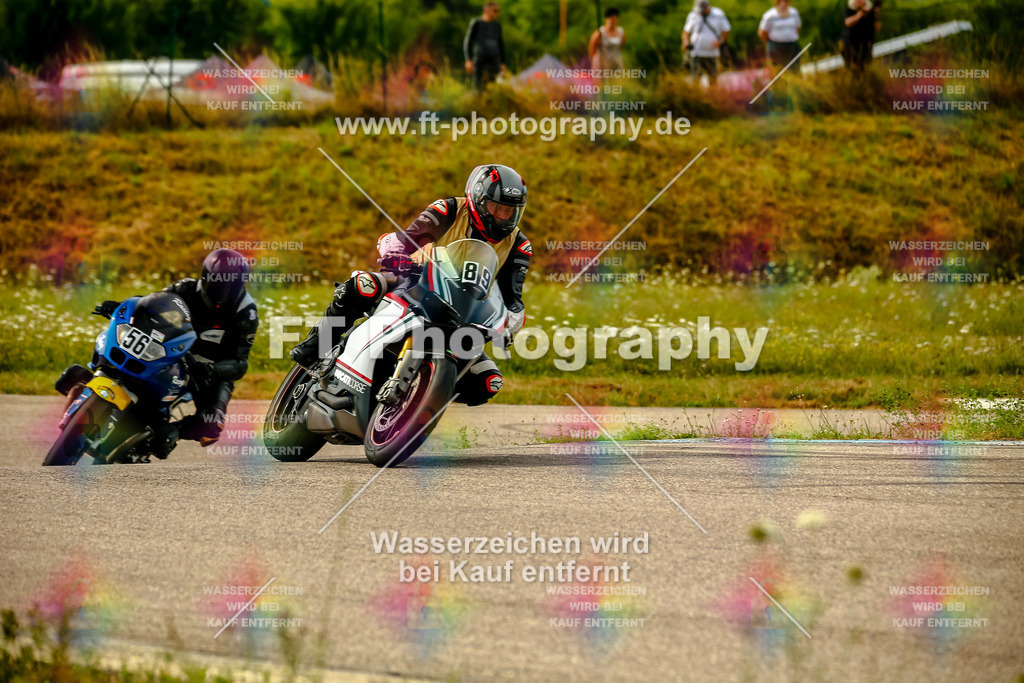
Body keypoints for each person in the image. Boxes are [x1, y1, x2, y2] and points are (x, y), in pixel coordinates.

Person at [290, 165, 531, 407]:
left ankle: (420, 399)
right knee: (364, 285)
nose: (502, 217)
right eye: (496, 208)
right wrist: (396, 253)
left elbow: (512, 297)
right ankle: (316, 347)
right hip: (416, 282)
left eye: (510, 211)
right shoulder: (448, 209)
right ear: (477, 200)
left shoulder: (519, 246)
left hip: (465, 315)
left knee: (487, 382)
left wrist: (510, 322)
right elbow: (409, 238)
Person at [162, 249, 259, 445]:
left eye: (232, 287)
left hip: (209, 370)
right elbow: (150, 304)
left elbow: (240, 363)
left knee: (211, 427)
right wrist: (122, 306)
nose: (224, 294)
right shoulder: (185, 288)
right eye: (219, 286)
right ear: (205, 278)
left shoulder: (246, 311)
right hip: (170, 354)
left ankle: (164, 434)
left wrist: (213, 370)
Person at [682, 0, 731, 85]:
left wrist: (719, 42)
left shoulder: (718, 14)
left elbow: (726, 30)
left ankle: (712, 93)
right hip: (696, 53)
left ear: (707, 7)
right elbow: (686, 32)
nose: (700, 12)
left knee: (713, 80)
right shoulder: (693, 15)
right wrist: (685, 42)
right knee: (695, 80)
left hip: (712, 54)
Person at [464, 2, 507, 90]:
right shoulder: (476, 23)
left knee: (492, 86)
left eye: (497, 11)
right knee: (478, 86)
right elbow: (468, 41)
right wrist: (468, 59)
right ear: (486, 10)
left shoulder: (497, 25)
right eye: (494, 10)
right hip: (479, 60)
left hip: (494, 61)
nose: (496, 13)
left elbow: (500, 44)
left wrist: (502, 62)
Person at [758, 0, 803, 72]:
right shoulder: (770, 15)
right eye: (784, 1)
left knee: (795, 69)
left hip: (792, 46)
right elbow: (762, 32)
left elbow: (798, 28)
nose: (786, 3)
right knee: (777, 70)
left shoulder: (794, 13)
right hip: (776, 47)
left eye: (788, 1)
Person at [842, 0, 879, 71]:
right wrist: (860, 14)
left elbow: (876, 28)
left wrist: (876, 15)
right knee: (852, 66)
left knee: (865, 66)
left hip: (865, 44)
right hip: (851, 44)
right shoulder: (849, 9)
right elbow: (848, 22)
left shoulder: (870, 11)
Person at [589, 8, 625, 73]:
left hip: (616, 63)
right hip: (603, 65)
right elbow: (592, 49)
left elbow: (621, 46)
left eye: (615, 18)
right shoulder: (600, 33)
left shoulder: (620, 32)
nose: (613, 21)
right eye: (612, 19)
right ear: (606, 19)